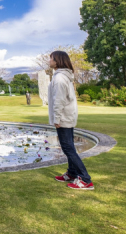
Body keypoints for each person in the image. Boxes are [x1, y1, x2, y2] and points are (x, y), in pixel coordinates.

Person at [48, 50, 94, 190]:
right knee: (69, 146)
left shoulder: (60, 78)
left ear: (57, 61)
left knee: (68, 147)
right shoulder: (62, 76)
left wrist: (57, 118)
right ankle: (72, 173)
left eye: (51, 58)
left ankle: (85, 179)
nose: (49, 61)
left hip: (63, 118)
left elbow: (59, 101)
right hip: (66, 116)